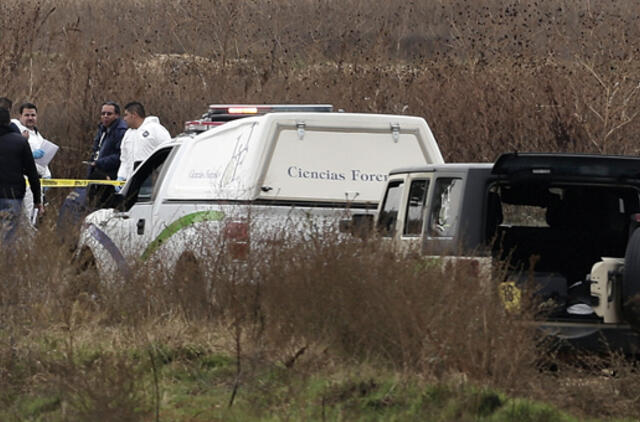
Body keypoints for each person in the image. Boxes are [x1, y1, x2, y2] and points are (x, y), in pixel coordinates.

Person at [0, 108, 43, 244]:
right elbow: (32, 173)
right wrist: (37, 199)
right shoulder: (20, 142)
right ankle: (6, 263)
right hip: (12, 195)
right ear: (9, 121)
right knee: (8, 237)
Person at [12, 102, 52, 223]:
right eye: (27, 115)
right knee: (25, 217)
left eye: (33, 115)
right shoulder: (16, 129)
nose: (30, 118)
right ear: (20, 116)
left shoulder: (38, 135)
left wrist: (47, 176)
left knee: (33, 216)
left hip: (37, 180)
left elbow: (44, 160)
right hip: (24, 179)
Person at [117, 102, 171, 181]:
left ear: (134, 115)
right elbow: (124, 159)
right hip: (131, 182)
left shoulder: (155, 129)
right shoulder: (128, 134)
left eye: (126, 115)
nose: (124, 119)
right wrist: (121, 175)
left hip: (151, 180)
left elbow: (168, 151)